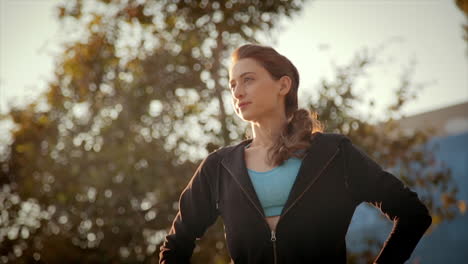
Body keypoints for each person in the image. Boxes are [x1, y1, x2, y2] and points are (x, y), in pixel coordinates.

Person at [158, 43, 432, 264]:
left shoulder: (334, 153)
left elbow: (412, 214)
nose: (238, 92)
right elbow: (177, 242)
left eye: (248, 80)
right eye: (232, 85)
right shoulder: (219, 166)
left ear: (283, 85)